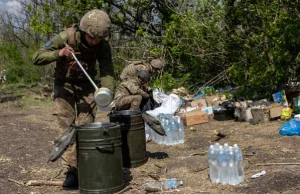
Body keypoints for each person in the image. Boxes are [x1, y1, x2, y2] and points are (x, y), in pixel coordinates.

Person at [32, 9, 115, 189]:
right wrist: (59, 54)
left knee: (86, 128)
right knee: (67, 129)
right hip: (64, 87)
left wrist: (107, 91)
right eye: (92, 37)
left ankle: (86, 166)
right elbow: (37, 57)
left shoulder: (103, 46)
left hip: (87, 87)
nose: (95, 41)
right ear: (84, 31)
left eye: (99, 38)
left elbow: (107, 71)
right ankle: (72, 170)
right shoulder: (65, 37)